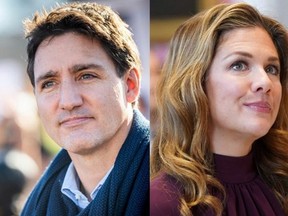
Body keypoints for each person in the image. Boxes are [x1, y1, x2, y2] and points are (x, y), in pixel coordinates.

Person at [150, 3, 288, 216]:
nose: (265, 81)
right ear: (195, 82)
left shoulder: (282, 184)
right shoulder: (162, 203)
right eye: (239, 65)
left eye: (272, 68)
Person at [21, 2, 149, 216]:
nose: (69, 101)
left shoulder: (173, 184)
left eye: (86, 76)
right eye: (49, 83)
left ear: (130, 85)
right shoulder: (37, 206)